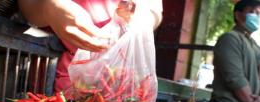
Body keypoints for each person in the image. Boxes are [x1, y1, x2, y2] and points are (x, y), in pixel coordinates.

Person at [18, 0, 163, 93]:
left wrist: (141, 15)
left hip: (111, 80)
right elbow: (28, 5)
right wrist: (48, 8)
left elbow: (154, 12)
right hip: (50, 69)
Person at [211, 0, 260, 102]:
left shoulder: (258, 48)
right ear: (238, 15)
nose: (257, 17)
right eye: (252, 12)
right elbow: (235, 78)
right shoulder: (230, 39)